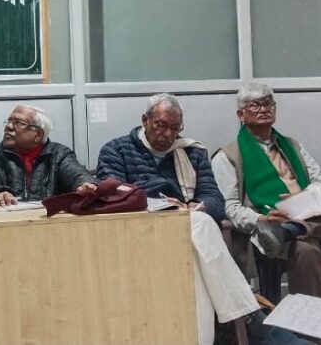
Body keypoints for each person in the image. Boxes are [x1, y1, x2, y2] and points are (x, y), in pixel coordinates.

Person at [97, 93, 282, 345]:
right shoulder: (116, 150)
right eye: (160, 125)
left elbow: (215, 199)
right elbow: (114, 196)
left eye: (175, 128)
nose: (167, 134)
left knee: (198, 244)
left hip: (187, 236)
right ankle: (250, 317)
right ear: (145, 120)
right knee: (201, 227)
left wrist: (199, 206)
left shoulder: (192, 152)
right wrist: (164, 203)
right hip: (140, 236)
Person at [212, 82, 321, 298]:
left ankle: (297, 229)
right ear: (241, 114)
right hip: (271, 227)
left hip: (311, 217)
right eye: (255, 105)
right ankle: (310, 318)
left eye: (269, 103)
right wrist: (261, 219)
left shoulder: (293, 145)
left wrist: (306, 197)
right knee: (307, 249)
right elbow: (230, 208)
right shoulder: (228, 156)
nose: (264, 109)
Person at [0, 105, 96, 207]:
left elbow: (76, 174)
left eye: (18, 123)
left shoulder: (59, 154)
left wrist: (85, 185)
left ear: (38, 135)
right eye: (9, 121)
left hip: (49, 221)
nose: (9, 126)